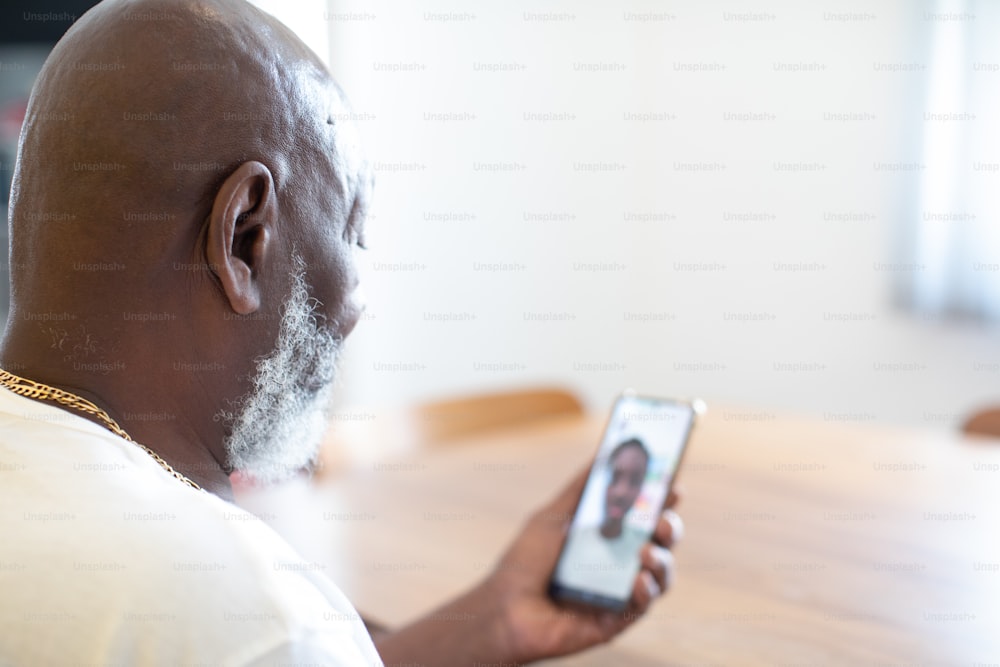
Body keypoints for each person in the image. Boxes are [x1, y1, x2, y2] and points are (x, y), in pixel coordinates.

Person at [0, 0, 683, 664]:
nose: (359, 303)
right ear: (244, 237)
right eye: (353, 229)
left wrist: (494, 618)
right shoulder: (251, 617)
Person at [553, 438, 656, 601]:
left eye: (635, 481)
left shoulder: (646, 548)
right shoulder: (568, 538)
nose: (621, 492)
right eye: (615, 476)